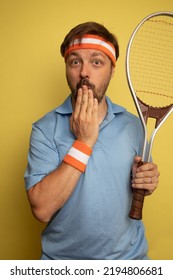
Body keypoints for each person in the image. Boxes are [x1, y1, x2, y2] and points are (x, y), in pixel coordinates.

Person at [24, 22, 160, 260]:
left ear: (112, 71)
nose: (84, 72)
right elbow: (42, 209)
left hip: (130, 262)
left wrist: (146, 181)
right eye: (75, 61)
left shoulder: (134, 125)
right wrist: (84, 142)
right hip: (63, 264)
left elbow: (129, 185)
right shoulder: (44, 129)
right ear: (67, 68)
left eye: (96, 62)